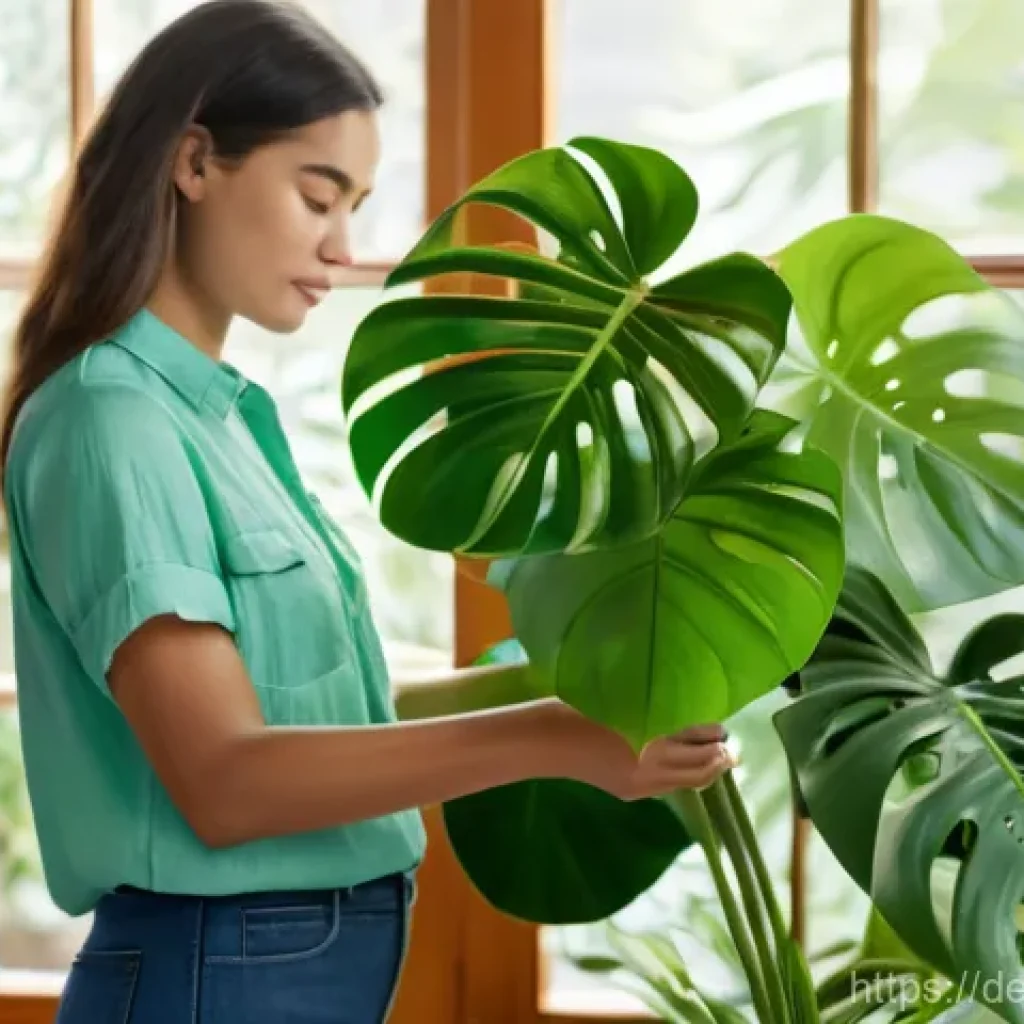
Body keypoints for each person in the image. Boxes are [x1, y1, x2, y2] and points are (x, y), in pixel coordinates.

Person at [0, 2, 734, 1021]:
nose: (345, 246)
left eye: (357, 204)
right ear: (195, 161)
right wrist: (555, 735)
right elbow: (226, 778)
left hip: (274, 970)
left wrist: (592, 684)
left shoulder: (213, 418)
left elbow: (322, 712)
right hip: (220, 976)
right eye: (317, 196)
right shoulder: (111, 419)